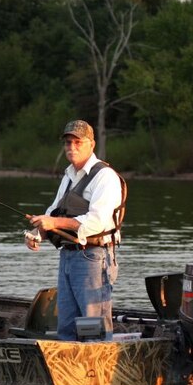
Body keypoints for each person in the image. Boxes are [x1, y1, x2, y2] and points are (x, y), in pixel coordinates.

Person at [25, 120, 126, 341]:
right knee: (67, 327)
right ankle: (72, 373)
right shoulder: (69, 175)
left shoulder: (105, 177)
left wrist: (55, 224)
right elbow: (54, 211)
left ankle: (96, 371)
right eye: (68, 142)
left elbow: (97, 222)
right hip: (68, 256)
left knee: (92, 327)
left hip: (93, 257)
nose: (72, 147)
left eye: (78, 142)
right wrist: (38, 233)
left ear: (91, 144)